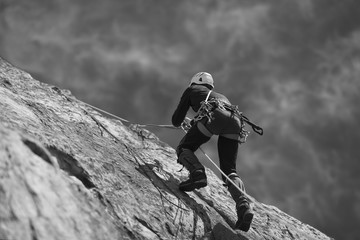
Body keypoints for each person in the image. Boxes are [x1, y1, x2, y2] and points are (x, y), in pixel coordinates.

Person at [172, 72, 254, 232]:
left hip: (214, 115)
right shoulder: (220, 95)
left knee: (184, 147)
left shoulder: (192, 90)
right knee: (229, 170)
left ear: (194, 83)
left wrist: (186, 122)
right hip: (235, 120)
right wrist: (195, 122)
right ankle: (243, 206)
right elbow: (219, 113)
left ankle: (198, 175)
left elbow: (176, 120)